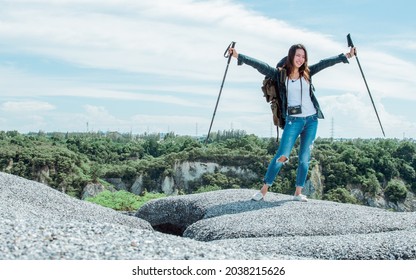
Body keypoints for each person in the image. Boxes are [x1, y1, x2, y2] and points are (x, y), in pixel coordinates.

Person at [229, 43, 356, 202]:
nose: (300, 59)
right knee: (282, 156)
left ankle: (298, 193)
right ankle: (263, 190)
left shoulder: (307, 72)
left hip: (311, 120)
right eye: (298, 55)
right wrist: (238, 56)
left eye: (303, 56)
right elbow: (260, 66)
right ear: (291, 56)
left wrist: (346, 56)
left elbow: (325, 63)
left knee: (305, 158)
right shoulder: (280, 75)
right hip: (293, 121)